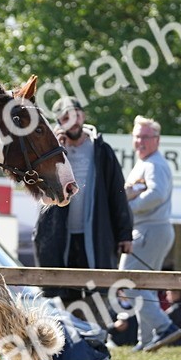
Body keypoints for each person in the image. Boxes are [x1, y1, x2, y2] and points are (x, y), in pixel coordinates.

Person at [33, 96, 133, 314]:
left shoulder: (101, 149)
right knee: (66, 292)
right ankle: (76, 343)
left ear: (83, 116)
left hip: (95, 234)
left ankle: (97, 341)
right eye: (67, 117)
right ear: (59, 121)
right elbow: (40, 191)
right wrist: (56, 148)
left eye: (77, 115)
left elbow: (117, 192)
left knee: (97, 292)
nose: (74, 121)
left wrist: (125, 233)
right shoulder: (51, 152)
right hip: (62, 235)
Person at [118, 115, 181, 351]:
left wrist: (128, 210)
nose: (140, 141)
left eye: (145, 136)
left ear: (157, 140)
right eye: (137, 136)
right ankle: (146, 342)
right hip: (153, 230)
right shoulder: (147, 162)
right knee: (143, 287)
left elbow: (157, 194)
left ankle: (165, 328)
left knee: (127, 282)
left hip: (148, 230)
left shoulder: (154, 164)